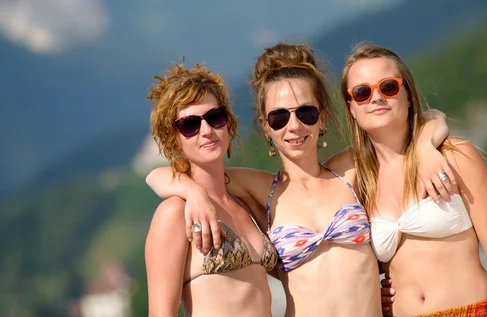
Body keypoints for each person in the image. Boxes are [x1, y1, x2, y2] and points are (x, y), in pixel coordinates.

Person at [145, 43, 454, 316]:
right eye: (279, 118)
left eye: (305, 113)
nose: (293, 126)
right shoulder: (261, 190)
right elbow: (158, 176)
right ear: (265, 127)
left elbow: (424, 120)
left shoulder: (349, 171)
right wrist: (192, 192)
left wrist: (426, 147)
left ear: (322, 117)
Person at [341, 44, 487, 317]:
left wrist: (424, 145)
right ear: (351, 107)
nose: (376, 98)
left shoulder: (454, 157)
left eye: (388, 86)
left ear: (408, 96)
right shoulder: (357, 181)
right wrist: (369, 292)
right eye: (362, 92)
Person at [144, 61, 278, 317]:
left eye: (215, 117)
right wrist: (194, 192)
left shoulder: (243, 202)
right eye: (190, 124)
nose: (206, 131)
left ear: (228, 123)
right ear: (173, 138)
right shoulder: (173, 213)